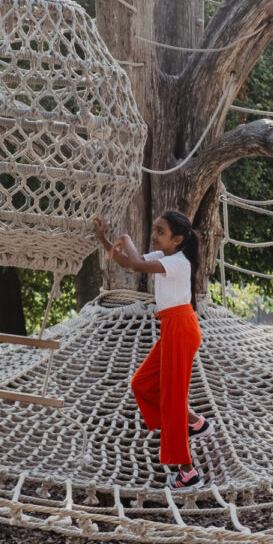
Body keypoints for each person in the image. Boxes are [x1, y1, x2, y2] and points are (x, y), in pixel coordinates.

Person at [94, 210, 211, 490]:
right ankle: (195, 423)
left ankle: (187, 472)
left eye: (161, 231)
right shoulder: (164, 258)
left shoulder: (179, 263)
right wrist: (103, 238)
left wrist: (123, 237)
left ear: (178, 239)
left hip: (181, 329)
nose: (154, 235)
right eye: (155, 229)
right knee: (142, 383)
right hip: (172, 328)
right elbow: (126, 261)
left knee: (172, 399)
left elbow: (133, 262)